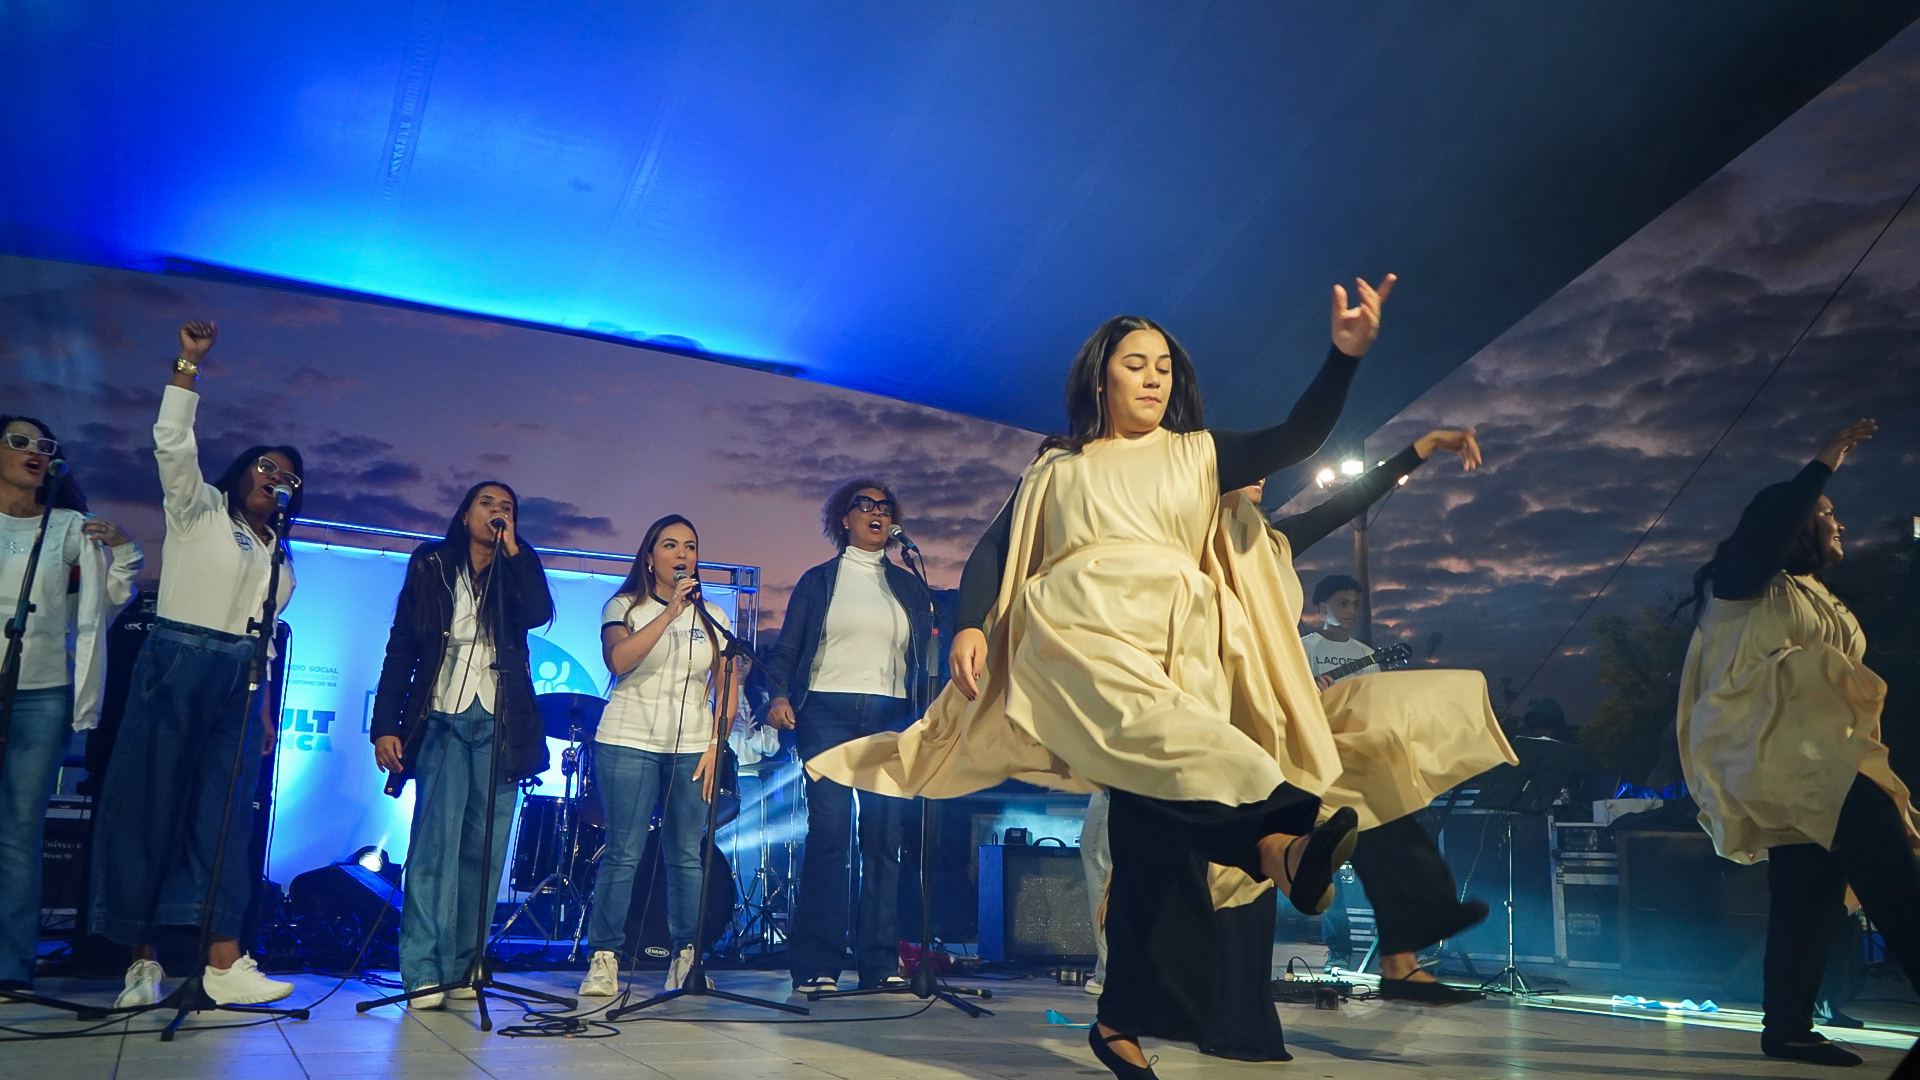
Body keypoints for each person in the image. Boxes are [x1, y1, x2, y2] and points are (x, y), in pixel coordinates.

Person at [810, 275, 1401, 1076]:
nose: (1154, 376)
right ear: (1101, 378)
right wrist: (974, 624)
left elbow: (1299, 435)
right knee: (1185, 746)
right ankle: (1276, 841)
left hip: (1172, 645)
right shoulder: (1059, 466)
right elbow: (994, 549)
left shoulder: (1199, 454)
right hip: (1078, 635)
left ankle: (1119, 1018)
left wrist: (1344, 357)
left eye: (1164, 365)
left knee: (1149, 838)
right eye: (1136, 363)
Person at [1677, 418, 1920, 1069]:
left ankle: (1786, 1028)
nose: (1838, 523)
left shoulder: (1823, 599)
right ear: (1793, 524)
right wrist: (1823, 463)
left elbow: (1877, 654)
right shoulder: (1743, 587)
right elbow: (1766, 530)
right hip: (1778, 756)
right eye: (1827, 513)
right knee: (1896, 878)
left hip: (1820, 756)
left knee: (1808, 894)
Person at [89, 321, 301, 1007]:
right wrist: (187, 367)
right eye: (267, 467)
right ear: (241, 473)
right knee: (149, 809)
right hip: (178, 659)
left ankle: (222, 961)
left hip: (239, 678)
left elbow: (265, 635)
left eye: (289, 477)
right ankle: (141, 960)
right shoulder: (199, 510)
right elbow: (172, 446)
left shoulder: (279, 555)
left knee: (224, 817)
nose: (276, 479)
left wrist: (265, 705)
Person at [1265, 430, 1507, 1004]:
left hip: (1314, 726)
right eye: (1238, 474)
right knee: (1366, 815)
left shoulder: (1275, 541)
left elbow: (1347, 502)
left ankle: (1403, 953)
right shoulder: (1199, 546)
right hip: (1256, 718)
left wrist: (1419, 449)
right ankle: (1410, 938)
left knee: (1381, 808)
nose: (1254, 480)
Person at [370, 481, 552, 1008]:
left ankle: (464, 965)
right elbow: (402, 647)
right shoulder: (431, 564)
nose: (498, 514)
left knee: (484, 852)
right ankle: (422, 970)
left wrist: (516, 551)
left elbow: (538, 611)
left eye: (508, 509)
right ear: (465, 512)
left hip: (500, 726)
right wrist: (386, 724)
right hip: (443, 720)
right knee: (435, 849)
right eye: (488, 505)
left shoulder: (516, 568)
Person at [762, 479, 934, 994]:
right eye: (865, 506)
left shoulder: (907, 585)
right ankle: (817, 962)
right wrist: (776, 696)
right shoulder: (819, 581)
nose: (877, 514)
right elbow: (786, 651)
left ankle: (879, 962)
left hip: (891, 717)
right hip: (828, 713)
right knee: (831, 834)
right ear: (844, 519)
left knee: (885, 838)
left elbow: (921, 661)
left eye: (885, 507)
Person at [0, 419, 141, 992]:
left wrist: (126, 550)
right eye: (19, 442)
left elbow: (105, 604)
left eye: (44, 446)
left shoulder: (66, 527)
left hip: (42, 694)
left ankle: (10, 969)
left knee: (17, 832)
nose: (34, 452)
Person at [577, 515, 737, 997]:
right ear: (650, 557)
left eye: (690, 545)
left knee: (687, 855)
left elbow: (727, 687)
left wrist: (716, 744)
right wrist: (669, 613)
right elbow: (619, 660)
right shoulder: (624, 605)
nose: (682, 554)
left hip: (691, 745)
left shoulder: (714, 616)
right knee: (624, 852)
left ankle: (685, 958)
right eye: (670, 545)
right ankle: (604, 957)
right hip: (627, 737)